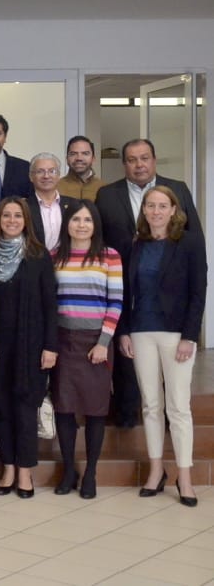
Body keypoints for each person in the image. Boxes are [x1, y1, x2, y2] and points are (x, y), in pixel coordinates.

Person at [95, 138, 202, 428]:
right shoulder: (107, 195)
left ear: (154, 160)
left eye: (144, 158)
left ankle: (169, 424)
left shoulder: (178, 188)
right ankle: (126, 417)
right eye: (132, 159)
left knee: (173, 378)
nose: (139, 164)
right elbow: (100, 241)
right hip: (127, 288)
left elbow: (195, 239)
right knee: (129, 363)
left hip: (172, 299)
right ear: (124, 164)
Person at [118, 186, 207, 507]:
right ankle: (156, 471)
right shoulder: (136, 244)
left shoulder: (189, 242)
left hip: (175, 334)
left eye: (162, 206)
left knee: (178, 407)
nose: (156, 211)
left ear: (173, 210)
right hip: (141, 332)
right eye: (150, 206)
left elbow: (198, 292)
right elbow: (125, 292)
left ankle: (185, 476)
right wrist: (124, 332)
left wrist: (189, 336)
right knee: (151, 406)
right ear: (144, 210)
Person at [0, 197, 58, 499]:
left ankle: (26, 471)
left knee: (26, 409)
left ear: (26, 220)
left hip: (31, 345)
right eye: (6, 215)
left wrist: (50, 346)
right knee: (2, 408)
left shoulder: (39, 256)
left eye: (17, 216)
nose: (12, 221)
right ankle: (9, 468)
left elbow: (50, 305)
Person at [51, 201, 122, 499]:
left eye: (87, 220)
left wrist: (103, 343)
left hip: (96, 343)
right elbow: (48, 302)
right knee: (64, 408)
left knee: (95, 410)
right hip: (63, 341)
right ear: (66, 223)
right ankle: (69, 470)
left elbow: (115, 302)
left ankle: (90, 472)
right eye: (76, 219)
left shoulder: (109, 256)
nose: (81, 225)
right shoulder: (54, 256)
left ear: (95, 225)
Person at [24, 153, 77, 252]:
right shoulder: (23, 207)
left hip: (67, 260)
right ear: (31, 177)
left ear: (58, 175)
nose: (46, 176)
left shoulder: (73, 205)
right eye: (40, 171)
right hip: (35, 260)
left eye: (52, 171)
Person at [57, 136, 104, 202]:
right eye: (73, 154)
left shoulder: (104, 188)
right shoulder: (55, 188)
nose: (79, 158)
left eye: (85, 153)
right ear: (67, 159)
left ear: (93, 159)